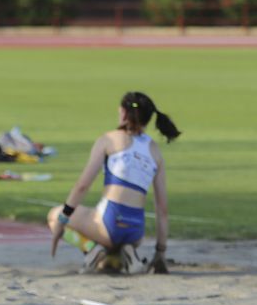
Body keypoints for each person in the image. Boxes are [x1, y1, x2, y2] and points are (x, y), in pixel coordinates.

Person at [47, 92, 181, 274]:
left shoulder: (109, 139)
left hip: (108, 223)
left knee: (54, 215)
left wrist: (62, 222)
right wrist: (160, 253)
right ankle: (127, 254)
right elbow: (162, 209)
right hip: (135, 231)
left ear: (123, 113)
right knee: (112, 253)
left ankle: (91, 250)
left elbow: (82, 186)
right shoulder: (155, 151)